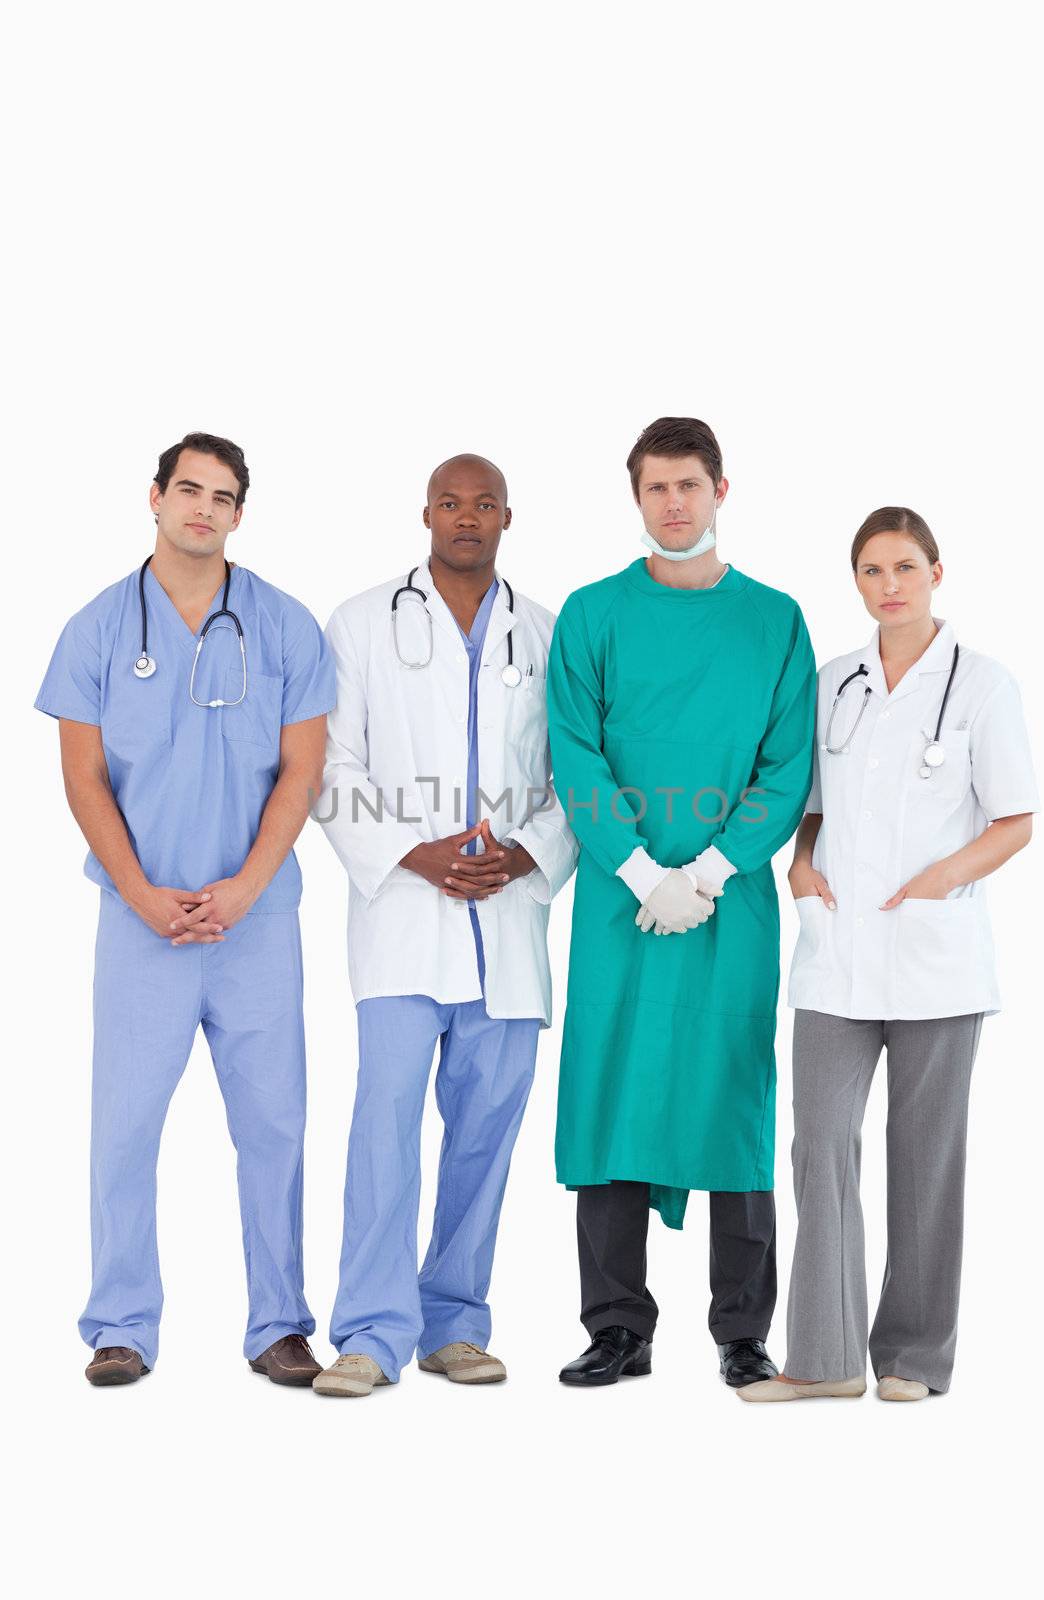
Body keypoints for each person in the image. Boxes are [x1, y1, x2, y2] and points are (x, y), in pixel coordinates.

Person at [35, 432, 336, 1388]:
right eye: (189, 490)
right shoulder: (95, 629)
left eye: (223, 496)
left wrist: (245, 886)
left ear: (240, 514)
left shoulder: (285, 627)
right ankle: (120, 1324)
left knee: (275, 1129)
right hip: (141, 926)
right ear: (155, 498)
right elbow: (83, 778)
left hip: (256, 926)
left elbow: (303, 769)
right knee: (123, 1126)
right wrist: (138, 892)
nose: (204, 508)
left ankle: (279, 1325)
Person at [740, 507, 1038, 1404]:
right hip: (836, 956)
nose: (889, 585)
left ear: (936, 572)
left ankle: (911, 1358)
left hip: (933, 960)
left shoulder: (982, 685)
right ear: (857, 581)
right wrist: (797, 862)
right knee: (819, 1144)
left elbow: (1016, 818)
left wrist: (941, 877)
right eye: (871, 570)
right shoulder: (834, 682)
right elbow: (815, 799)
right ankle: (822, 1359)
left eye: (904, 566)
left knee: (924, 1157)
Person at [547, 416, 816, 1388]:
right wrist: (636, 872)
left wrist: (703, 872)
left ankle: (741, 1330)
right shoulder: (591, 615)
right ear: (636, 497)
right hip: (619, 911)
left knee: (731, 1097)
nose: (673, 503)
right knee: (609, 1092)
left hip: (727, 907)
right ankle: (616, 1325)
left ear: (719, 490)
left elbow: (785, 767)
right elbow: (573, 752)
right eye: (656, 487)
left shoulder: (773, 620)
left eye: (688, 486)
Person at [312, 453, 577, 1398]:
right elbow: (327, 768)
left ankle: (454, 1323)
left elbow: (573, 778)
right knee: (382, 1130)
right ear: (425, 511)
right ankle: (371, 1335)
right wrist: (414, 854)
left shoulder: (546, 635)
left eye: (485, 504)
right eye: (450, 503)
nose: (467, 517)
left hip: (505, 932)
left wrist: (527, 853)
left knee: (483, 1136)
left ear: (509, 516)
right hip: (400, 929)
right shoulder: (359, 625)